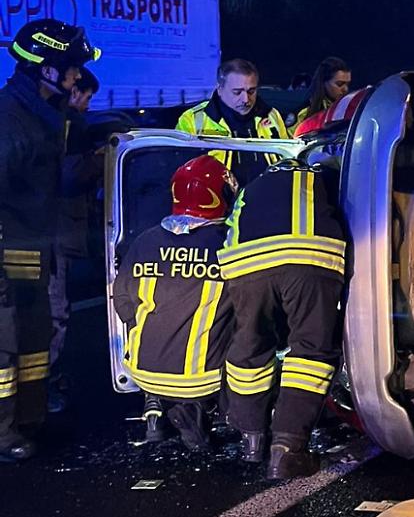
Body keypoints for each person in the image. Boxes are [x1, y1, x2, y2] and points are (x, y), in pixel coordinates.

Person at [0, 18, 99, 462]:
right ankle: (3, 434)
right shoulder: (9, 120)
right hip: (8, 246)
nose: (77, 75)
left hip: (34, 244)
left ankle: (28, 418)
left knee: (34, 338)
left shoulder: (44, 115)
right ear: (45, 69)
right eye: (72, 67)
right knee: (4, 343)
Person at [219, 159, 347, 479]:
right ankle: (287, 451)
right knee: (310, 351)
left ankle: (251, 440)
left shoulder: (253, 186)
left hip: (245, 265)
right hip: (310, 257)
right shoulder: (324, 175)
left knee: (250, 345)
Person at [112, 156, 236, 449]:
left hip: (141, 370)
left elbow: (123, 301)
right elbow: (252, 308)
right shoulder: (228, 244)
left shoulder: (145, 241)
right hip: (202, 378)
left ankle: (154, 406)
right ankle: (208, 410)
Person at [47, 69, 103, 412]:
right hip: (53, 234)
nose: (86, 104)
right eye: (86, 96)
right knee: (54, 311)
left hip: (49, 233)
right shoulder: (67, 126)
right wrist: (96, 162)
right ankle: (43, 384)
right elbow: (69, 178)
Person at [175, 59, 289, 185]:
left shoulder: (272, 115)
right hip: (217, 201)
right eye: (237, 92)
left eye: (251, 91)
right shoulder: (193, 120)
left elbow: (288, 160)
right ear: (220, 89)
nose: (246, 99)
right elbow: (179, 173)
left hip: (266, 198)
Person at [295, 58, 351, 126]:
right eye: (339, 84)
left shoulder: (351, 108)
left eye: (348, 84)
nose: (345, 89)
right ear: (323, 82)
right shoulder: (306, 111)